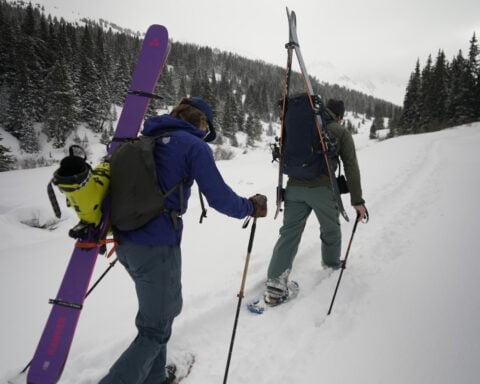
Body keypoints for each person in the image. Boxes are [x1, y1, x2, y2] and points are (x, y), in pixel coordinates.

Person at [99, 97, 267, 384]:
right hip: (157, 246)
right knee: (155, 330)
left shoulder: (149, 137)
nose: (206, 134)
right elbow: (219, 197)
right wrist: (250, 207)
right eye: (207, 127)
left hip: (127, 242)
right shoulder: (193, 146)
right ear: (201, 121)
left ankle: (153, 378)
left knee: (157, 321)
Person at [265, 97, 367, 305]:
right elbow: (351, 167)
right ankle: (330, 267)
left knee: (289, 234)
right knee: (330, 230)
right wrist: (357, 200)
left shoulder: (306, 123)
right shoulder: (340, 132)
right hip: (322, 188)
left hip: (293, 187)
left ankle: (275, 284)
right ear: (340, 116)